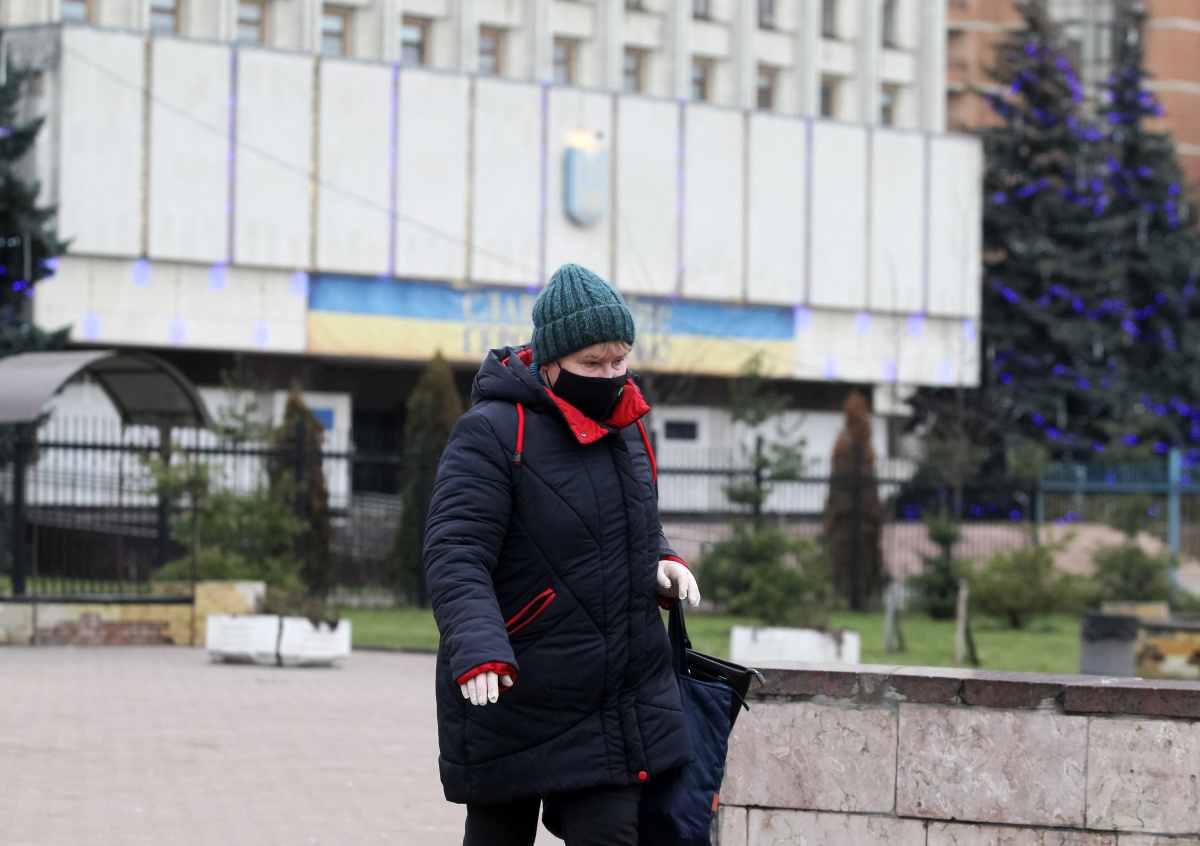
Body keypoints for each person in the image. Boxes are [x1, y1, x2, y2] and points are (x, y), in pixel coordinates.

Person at [424, 263, 701, 846]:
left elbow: (631, 522)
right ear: (549, 361)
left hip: (613, 701)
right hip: (513, 691)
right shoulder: (491, 432)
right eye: (592, 364)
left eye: (619, 361)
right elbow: (457, 550)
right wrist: (478, 649)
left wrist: (661, 559)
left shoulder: (627, 427)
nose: (610, 376)